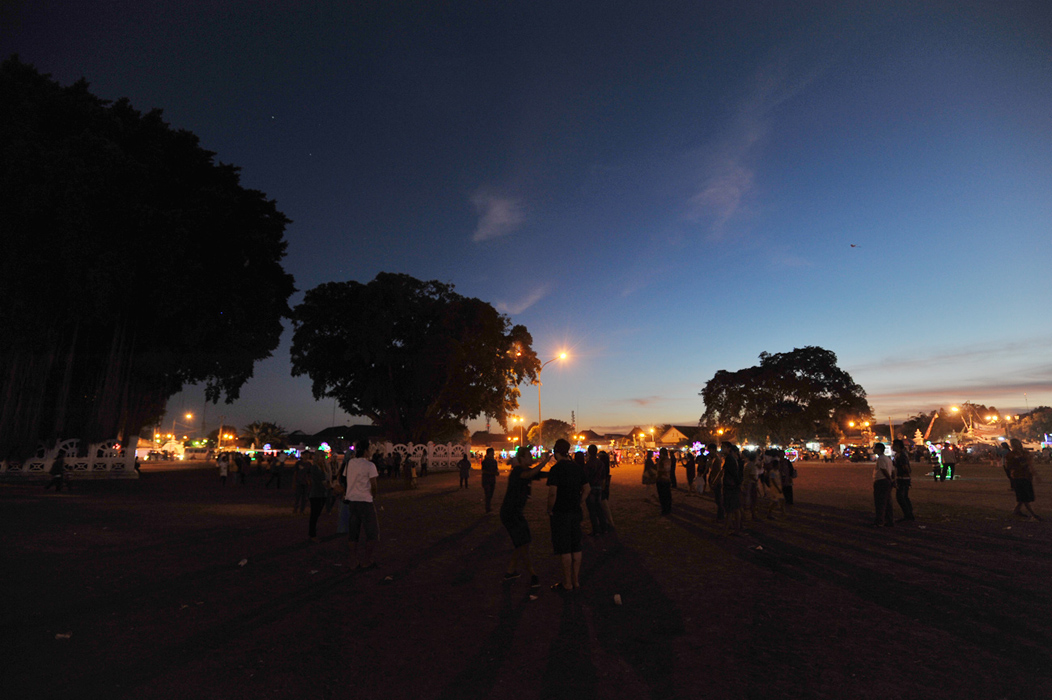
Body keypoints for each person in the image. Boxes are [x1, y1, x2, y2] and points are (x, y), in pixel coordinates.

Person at [500, 446, 548, 596]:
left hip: (516, 513)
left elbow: (541, 474)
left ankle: (510, 571)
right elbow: (530, 474)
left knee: (523, 542)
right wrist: (545, 460)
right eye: (529, 456)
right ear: (521, 459)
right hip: (510, 513)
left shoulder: (525, 471)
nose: (532, 458)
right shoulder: (517, 472)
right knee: (523, 543)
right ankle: (533, 575)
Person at [547, 438, 590, 592]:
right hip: (575, 511)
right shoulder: (577, 468)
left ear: (556, 452)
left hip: (561, 512)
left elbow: (553, 493)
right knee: (576, 546)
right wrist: (579, 501)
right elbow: (587, 488)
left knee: (564, 548)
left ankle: (567, 583)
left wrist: (549, 509)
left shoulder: (556, 470)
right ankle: (576, 580)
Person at [344, 439, 380, 570]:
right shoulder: (370, 465)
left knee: (353, 533)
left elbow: (345, 479)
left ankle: (353, 560)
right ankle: (366, 560)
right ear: (365, 451)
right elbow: (374, 485)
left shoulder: (350, 463)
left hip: (352, 501)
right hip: (365, 501)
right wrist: (373, 495)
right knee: (372, 533)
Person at [1007, 438, 1041, 520]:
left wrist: (1035, 474)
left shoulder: (1025, 453)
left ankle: (1016, 511)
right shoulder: (1010, 455)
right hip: (1018, 477)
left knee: (1024, 496)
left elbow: (1030, 465)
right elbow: (1009, 467)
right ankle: (1033, 513)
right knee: (1024, 496)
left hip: (1026, 476)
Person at [584, 445, 608, 535]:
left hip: (591, 488)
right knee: (599, 508)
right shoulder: (600, 463)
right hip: (599, 488)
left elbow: (586, 477)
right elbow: (604, 477)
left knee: (592, 510)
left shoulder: (588, 464)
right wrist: (602, 487)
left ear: (589, 452)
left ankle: (596, 529)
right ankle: (604, 527)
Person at [871, 442, 895, 527]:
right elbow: (892, 470)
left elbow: (884, 470)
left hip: (881, 481)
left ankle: (880, 521)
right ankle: (889, 520)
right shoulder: (888, 459)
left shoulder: (881, 459)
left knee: (880, 502)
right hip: (886, 482)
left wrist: (889, 479)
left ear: (879, 449)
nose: (873, 449)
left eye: (874, 448)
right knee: (887, 502)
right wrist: (892, 480)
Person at [720, 442, 742, 535]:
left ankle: (726, 530)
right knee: (736, 509)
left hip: (731, 487)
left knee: (729, 510)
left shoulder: (730, 459)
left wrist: (736, 484)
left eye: (723, 447)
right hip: (734, 486)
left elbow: (733, 474)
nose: (721, 449)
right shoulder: (733, 459)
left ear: (729, 448)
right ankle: (736, 529)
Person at [308, 453, 329, 540]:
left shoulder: (323, 467)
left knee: (317, 513)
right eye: (321, 457)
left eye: (324, 457)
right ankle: (312, 534)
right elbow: (317, 480)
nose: (323, 459)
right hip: (316, 493)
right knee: (314, 514)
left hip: (322, 493)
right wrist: (324, 485)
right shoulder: (314, 467)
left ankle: (313, 532)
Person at [892, 439, 914, 522]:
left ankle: (908, 514)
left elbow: (906, 468)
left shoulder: (901, 456)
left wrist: (903, 476)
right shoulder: (899, 454)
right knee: (904, 496)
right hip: (903, 478)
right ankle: (909, 514)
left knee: (900, 497)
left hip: (903, 479)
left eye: (893, 445)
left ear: (897, 446)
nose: (892, 447)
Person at [598, 450, 615, 530]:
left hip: (602, 486)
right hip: (605, 485)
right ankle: (608, 522)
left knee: (603, 504)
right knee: (604, 502)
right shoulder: (606, 466)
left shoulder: (601, 466)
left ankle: (609, 522)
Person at [655, 447, 673, 516]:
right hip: (667, 479)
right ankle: (668, 508)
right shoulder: (668, 460)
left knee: (662, 495)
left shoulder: (663, 460)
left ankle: (665, 509)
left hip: (661, 479)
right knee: (667, 494)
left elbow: (661, 470)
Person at [481, 447, 499, 512]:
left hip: (492, 480)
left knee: (490, 494)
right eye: (492, 453)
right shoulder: (485, 462)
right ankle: (487, 507)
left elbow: (496, 469)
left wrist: (496, 473)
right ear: (488, 454)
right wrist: (492, 473)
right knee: (488, 494)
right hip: (486, 480)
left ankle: (488, 505)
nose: (493, 454)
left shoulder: (494, 461)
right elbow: (483, 471)